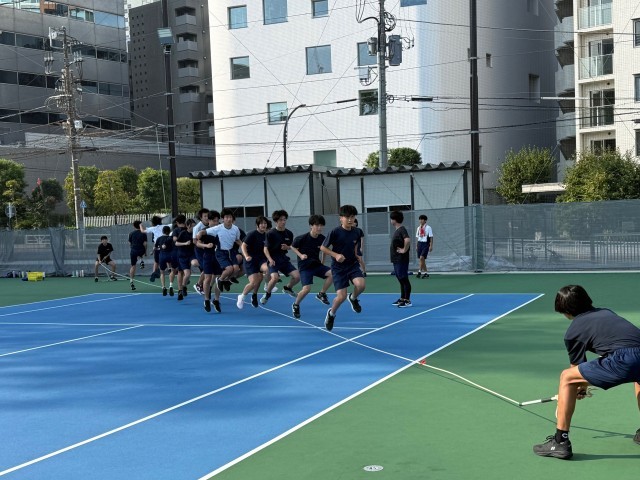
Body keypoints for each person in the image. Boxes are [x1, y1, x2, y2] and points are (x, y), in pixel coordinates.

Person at [533, 285, 640, 460]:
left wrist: (576, 390)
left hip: (624, 359)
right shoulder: (606, 312)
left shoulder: (573, 332)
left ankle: (560, 442)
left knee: (567, 378)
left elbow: (575, 371)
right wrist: (581, 388)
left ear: (565, 310)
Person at [320, 204, 365, 331]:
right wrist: (336, 255)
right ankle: (331, 314)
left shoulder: (357, 232)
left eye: (352, 217)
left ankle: (353, 298)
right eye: (347, 217)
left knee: (361, 285)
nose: (350, 219)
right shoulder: (335, 232)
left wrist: (357, 255)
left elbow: (355, 245)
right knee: (341, 297)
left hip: (352, 265)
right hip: (338, 268)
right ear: (341, 218)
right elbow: (323, 247)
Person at [290, 214, 332, 319]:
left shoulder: (322, 238)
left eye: (321, 225)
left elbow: (324, 250)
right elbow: (292, 247)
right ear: (311, 226)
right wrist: (300, 255)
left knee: (333, 273)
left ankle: (321, 294)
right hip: (305, 267)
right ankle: (296, 305)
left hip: (316, 265)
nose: (319, 228)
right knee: (306, 289)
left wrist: (322, 261)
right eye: (317, 225)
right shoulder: (302, 238)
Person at [262, 209, 300, 305]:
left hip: (283, 259)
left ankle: (288, 288)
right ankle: (267, 294)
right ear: (276, 221)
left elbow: (291, 247)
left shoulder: (289, 233)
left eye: (284, 219)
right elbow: (265, 249)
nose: (283, 222)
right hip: (273, 259)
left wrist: (287, 247)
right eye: (280, 220)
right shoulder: (270, 233)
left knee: (297, 277)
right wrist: (270, 259)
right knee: (274, 278)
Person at [237, 216, 270, 309]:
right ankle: (242, 296)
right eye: (261, 223)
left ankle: (263, 288)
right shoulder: (252, 234)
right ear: (257, 225)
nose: (263, 225)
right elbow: (243, 246)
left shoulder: (267, 235)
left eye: (265, 223)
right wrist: (246, 256)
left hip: (261, 260)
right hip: (250, 261)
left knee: (268, 269)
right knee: (254, 282)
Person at [390, 211, 412, 307]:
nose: (391, 220)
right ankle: (402, 298)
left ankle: (407, 300)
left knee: (403, 278)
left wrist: (404, 250)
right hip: (396, 259)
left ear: (394, 220)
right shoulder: (397, 230)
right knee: (400, 278)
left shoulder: (402, 229)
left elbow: (407, 240)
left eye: (391, 219)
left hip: (401, 259)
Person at [174, 219, 197, 301]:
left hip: (191, 255)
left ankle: (184, 287)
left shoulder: (195, 233)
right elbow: (176, 243)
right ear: (188, 226)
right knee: (185, 273)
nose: (194, 228)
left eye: (195, 226)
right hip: (182, 256)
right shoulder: (183, 233)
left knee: (195, 263)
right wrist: (185, 243)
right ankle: (181, 289)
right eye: (193, 226)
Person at [140, 215, 167, 282]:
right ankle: (172, 271)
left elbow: (142, 231)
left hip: (157, 247)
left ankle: (154, 272)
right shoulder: (165, 227)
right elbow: (173, 225)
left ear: (153, 223)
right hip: (164, 247)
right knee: (167, 261)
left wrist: (140, 225)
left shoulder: (153, 228)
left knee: (156, 261)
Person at [192, 208, 210, 295]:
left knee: (208, 268)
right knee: (206, 268)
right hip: (200, 250)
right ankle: (198, 284)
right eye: (205, 216)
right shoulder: (197, 227)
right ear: (201, 217)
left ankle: (202, 285)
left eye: (208, 216)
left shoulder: (211, 225)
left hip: (209, 249)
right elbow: (194, 241)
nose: (207, 218)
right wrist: (203, 245)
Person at [155, 225, 175, 296]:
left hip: (162, 256)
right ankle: (171, 285)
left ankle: (163, 287)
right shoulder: (171, 238)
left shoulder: (159, 238)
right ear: (169, 231)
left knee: (162, 273)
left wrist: (158, 248)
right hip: (171, 255)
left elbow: (156, 247)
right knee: (172, 271)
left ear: (162, 231)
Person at [128, 220, 147, 291]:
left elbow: (130, 243)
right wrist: (145, 252)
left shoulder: (131, 233)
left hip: (133, 250)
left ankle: (131, 280)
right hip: (141, 249)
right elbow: (145, 244)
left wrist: (132, 248)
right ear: (140, 225)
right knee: (141, 253)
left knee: (133, 266)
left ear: (134, 226)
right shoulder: (143, 233)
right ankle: (141, 260)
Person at [415, 214, 433, 278]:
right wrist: (417, 245)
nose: (421, 220)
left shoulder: (428, 227)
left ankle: (419, 271)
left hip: (425, 244)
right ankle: (426, 273)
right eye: (420, 219)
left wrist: (431, 246)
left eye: (422, 219)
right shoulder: (418, 228)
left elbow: (431, 237)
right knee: (422, 259)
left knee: (421, 257)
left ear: (425, 220)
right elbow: (417, 237)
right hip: (420, 244)